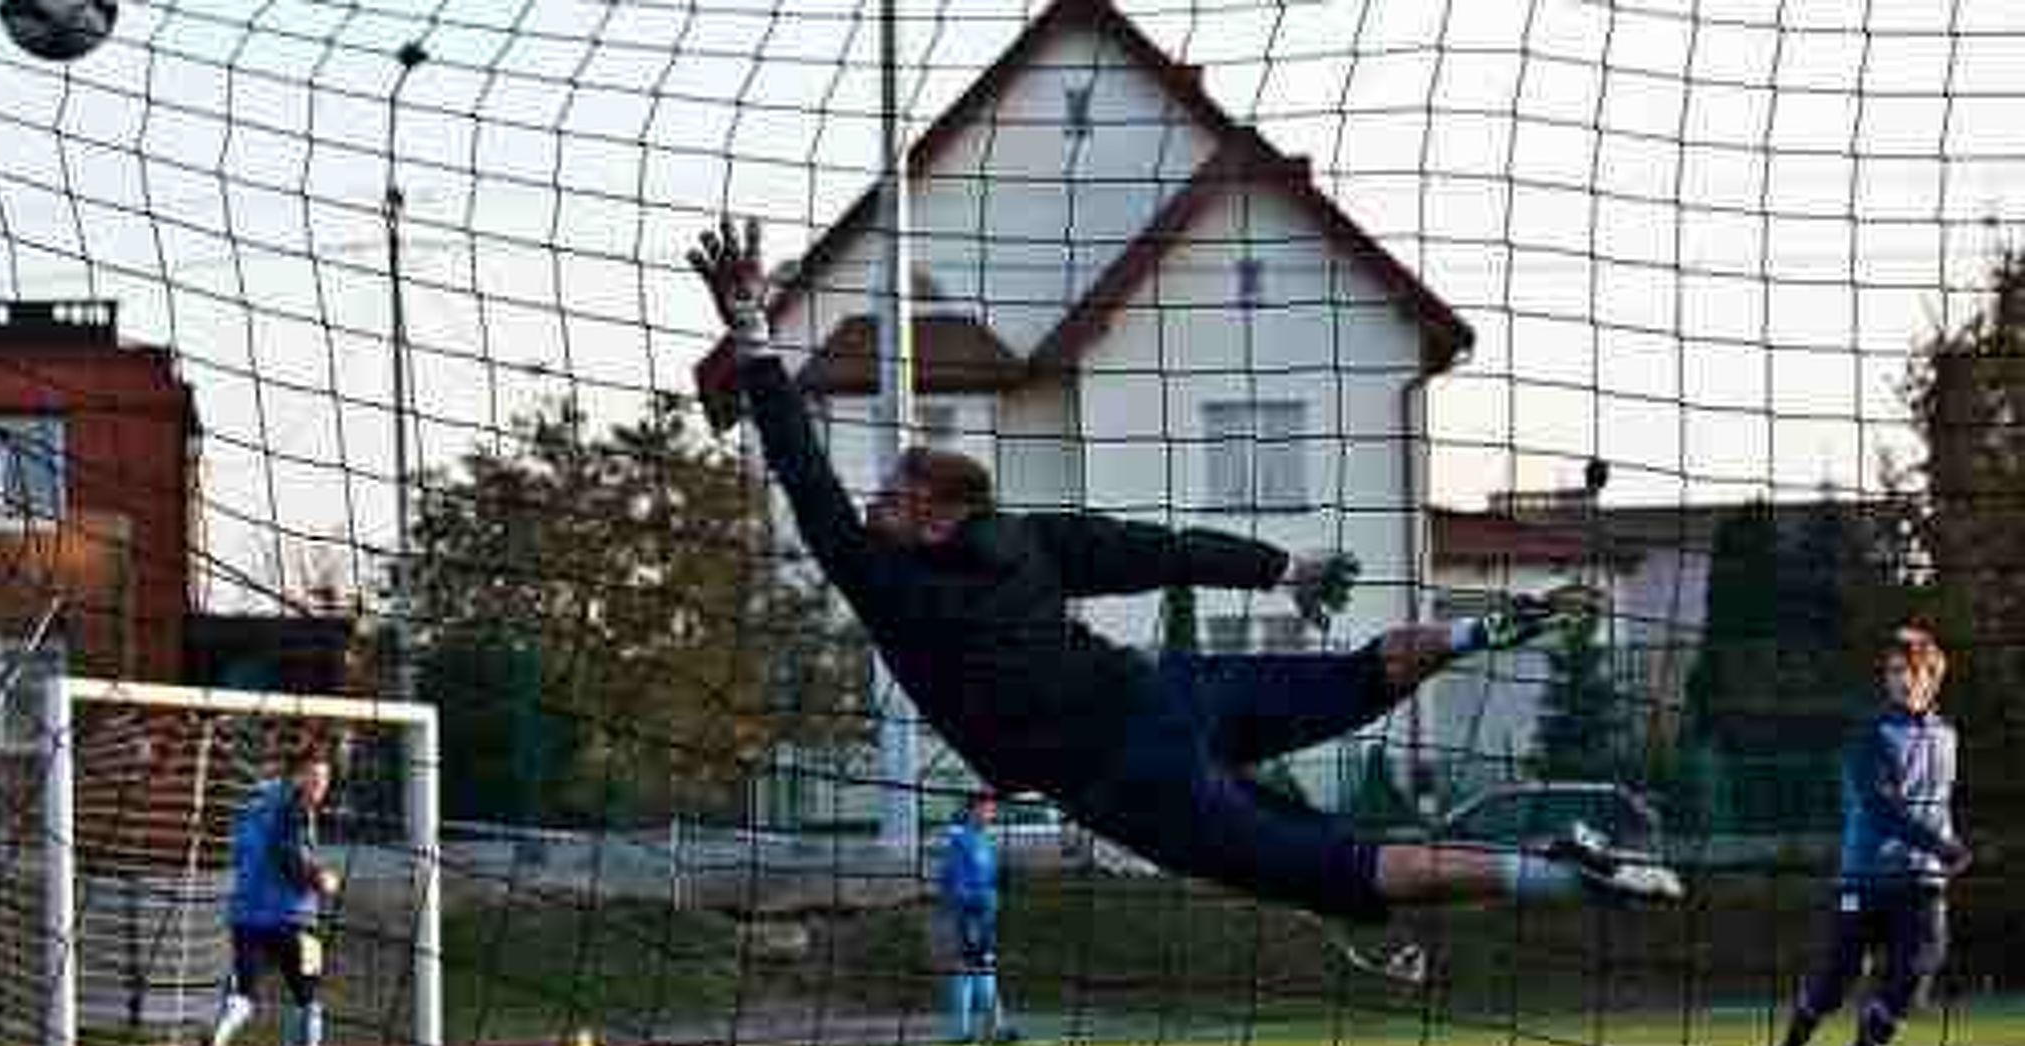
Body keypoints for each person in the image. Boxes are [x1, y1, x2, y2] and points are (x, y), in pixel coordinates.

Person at [689, 216, 1681, 933]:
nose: (872, 505)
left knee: (1333, 865)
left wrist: (756, 335)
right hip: (1170, 688)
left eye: (893, 498)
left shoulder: (885, 581)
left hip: (1126, 774)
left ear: (939, 513)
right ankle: (1473, 632)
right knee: (1353, 675)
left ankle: (1554, 874)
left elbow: (802, 469)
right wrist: (1280, 563)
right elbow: (1157, 548)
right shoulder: (1028, 539)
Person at [1766, 622, 1968, 1046]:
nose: (1900, 680)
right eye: (1893, 671)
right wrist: (1941, 845)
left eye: (1909, 671)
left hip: (1923, 883)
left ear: (1933, 676)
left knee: (1912, 978)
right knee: (1836, 983)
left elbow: (1934, 805)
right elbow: (1880, 806)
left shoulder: (1948, 735)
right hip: (1865, 881)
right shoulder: (1869, 734)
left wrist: (1942, 850)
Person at [192, 739, 343, 1046]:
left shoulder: (254, 800)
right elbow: (287, 852)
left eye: (326, 780)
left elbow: (244, 847)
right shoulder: (295, 806)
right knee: (309, 998)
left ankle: (216, 1040)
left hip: (244, 916)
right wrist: (319, 879)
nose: (322, 788)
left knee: (244, 995)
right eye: (317, 778)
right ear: (300, 775)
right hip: (295, 919)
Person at [941, 790, 1019, 1043]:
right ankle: (996, 1028)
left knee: (968, 970)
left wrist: (1000, 882)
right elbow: (953, 881)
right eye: (986, 808)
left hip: (985, 915)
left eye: (992, 808)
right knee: (982, 968)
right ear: (973, 810)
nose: (991, 812)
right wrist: (971, 909)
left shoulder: (984, 841)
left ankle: (962, 1032)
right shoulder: (961, 841)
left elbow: (988, 879)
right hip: (971, 916)